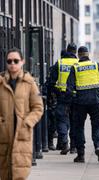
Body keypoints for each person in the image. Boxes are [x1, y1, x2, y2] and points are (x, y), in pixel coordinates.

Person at [0, 48, 43, 180]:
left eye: (16, 61)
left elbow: (38, 107)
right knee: (4, 174)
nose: (12, 64)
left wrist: (27, 122)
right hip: (3, 136)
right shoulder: (1, 83)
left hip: (22, 136)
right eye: (9, 61)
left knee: (20, 175)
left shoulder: (29, 83)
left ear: (22, 62)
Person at [67, 46, 99, 163]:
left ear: (79, 55)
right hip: (96, 102)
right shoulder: (96, 65)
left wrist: (73, 98)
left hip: (80, 103)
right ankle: (98, 146)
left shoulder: (75, 67)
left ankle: (81, 155)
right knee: (97, 126)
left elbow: (69, 88)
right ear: (88, 54)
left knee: (78, 128)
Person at [49, 43, 78, 154]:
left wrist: (54, 93)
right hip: (75, 97)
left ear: (67, 50)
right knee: (75, 122)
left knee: (62, 120)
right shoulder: (78, 63)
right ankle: (74, 147)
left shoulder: (60, 63)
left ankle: (64, 143)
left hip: (62, 96)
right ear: (75, 52)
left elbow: (52, 82)